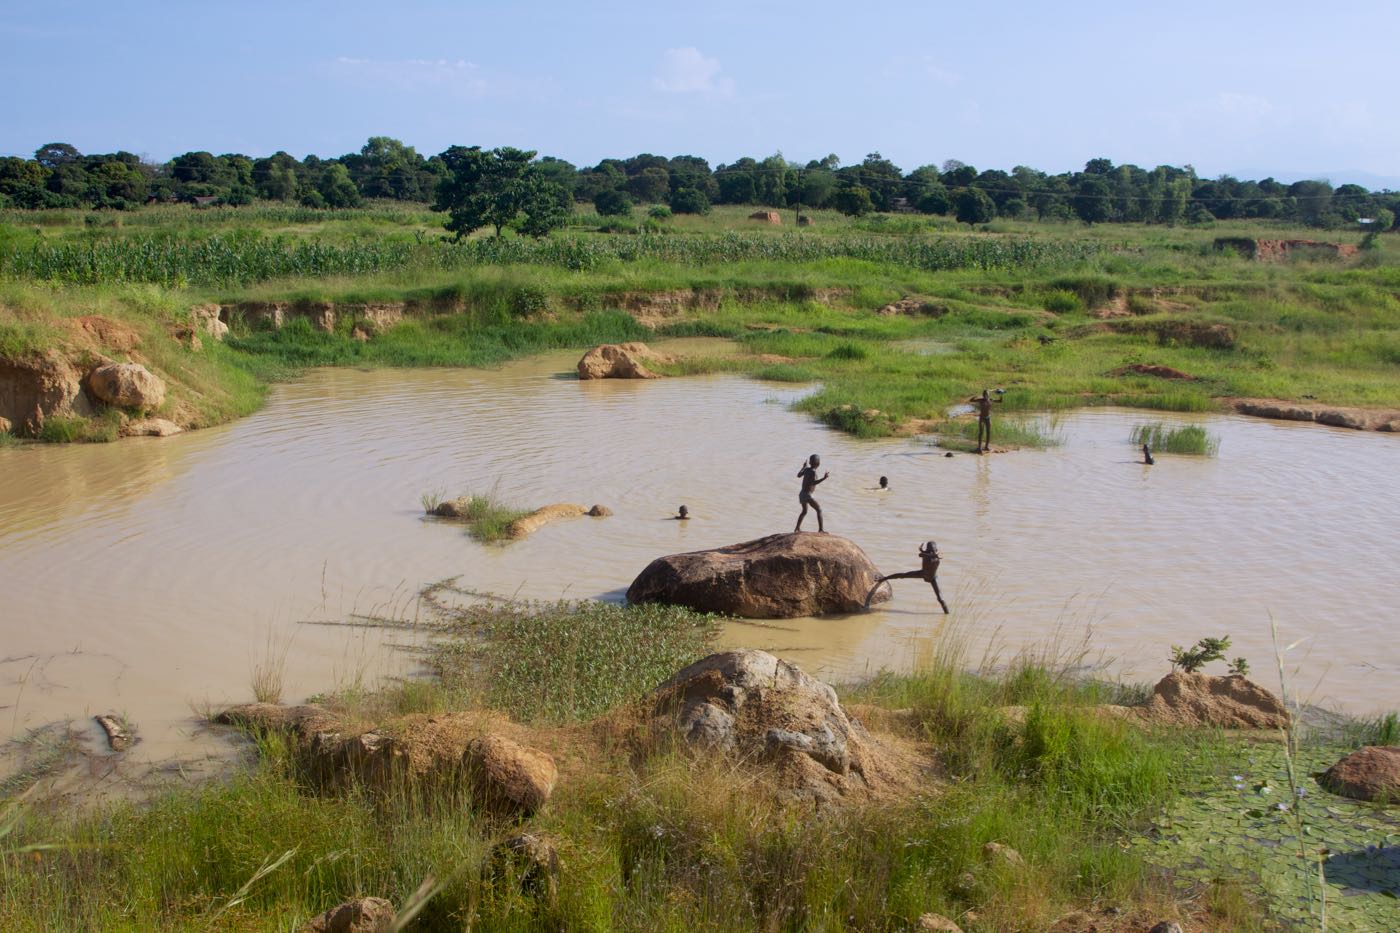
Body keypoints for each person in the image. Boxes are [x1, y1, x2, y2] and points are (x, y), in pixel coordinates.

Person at [866, 540, 949, 614]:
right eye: (930, 550)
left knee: (940, 598)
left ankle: (946, 612)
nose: (931, 552)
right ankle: (883, 578)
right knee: (903, 575)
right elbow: (921, 554)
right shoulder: (926, 555)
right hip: (922, 574)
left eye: (933, 551)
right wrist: (927, 552)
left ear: (935, 551)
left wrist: (929, 554)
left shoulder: (936, 560)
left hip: (933, 578)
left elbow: (925, 555)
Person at [794, 454, 829, 532]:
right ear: (818, 463)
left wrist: (803, 467)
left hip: (802, 494)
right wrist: (824, 478)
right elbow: (814, 482)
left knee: (804, 511)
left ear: (810, 462)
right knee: (819, 510)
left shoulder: (806, 469)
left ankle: (797, 528)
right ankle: (821, 529)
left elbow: (798, 475)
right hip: (808, 495)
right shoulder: (813, 472)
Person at [968, 388, 1003, 453]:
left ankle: (986, 447)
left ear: (989, 395)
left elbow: (1000, 401)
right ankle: (979, 448)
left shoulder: (991, 400)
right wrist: (978, 395)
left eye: (987, 394)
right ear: (983, 395)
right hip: (982, 418)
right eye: (984, 394)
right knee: (981, 432)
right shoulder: (981, 400)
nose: (986, 395)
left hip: (988, 418)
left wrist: (1001, 394)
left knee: (988, 432)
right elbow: (971, 400)